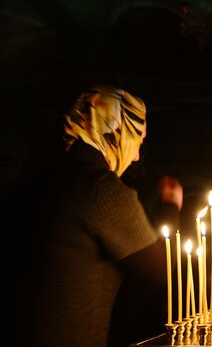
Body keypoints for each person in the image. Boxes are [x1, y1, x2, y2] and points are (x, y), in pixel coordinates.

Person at [5, 86, 172, 347]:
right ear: (115, 133)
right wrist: (171, 207)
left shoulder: (28, 179)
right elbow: (167, 273)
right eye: (137, 138)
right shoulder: (100, 189)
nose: (137, 154)